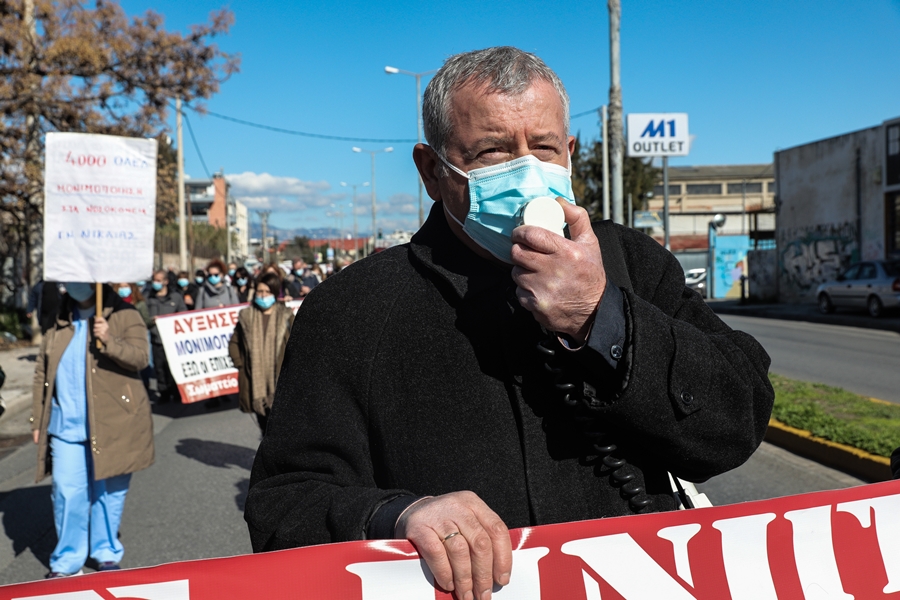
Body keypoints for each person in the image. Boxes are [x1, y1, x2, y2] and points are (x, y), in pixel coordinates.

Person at [245, 47, 774, 600]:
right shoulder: (353, 308)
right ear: (432, 171)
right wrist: (395, 515)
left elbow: (736, 421)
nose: (527, 170)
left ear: (569, 154)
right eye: (493, 152)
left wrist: (602, 316)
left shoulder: (632, 265)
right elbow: (284, 503)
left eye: (543, 148)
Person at [31, 282, 154, 577]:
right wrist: (38, 419)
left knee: (108, 494)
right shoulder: (59, 321)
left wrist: (109, 339)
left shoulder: (126, 315)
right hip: (66, 425)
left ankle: (105, 551)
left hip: (116, 423)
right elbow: (42, 371)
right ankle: (67, 560)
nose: (72, 285)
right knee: (66, 491)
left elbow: (140, 357)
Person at [228, 272, 295, 434]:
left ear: (275, 293)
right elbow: (234, 343)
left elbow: (297, 345)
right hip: (255, 382)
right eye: (260, 291)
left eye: (267, 292)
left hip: (280, 383)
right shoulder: (247, 316)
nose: (263, 296)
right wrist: (240, 364)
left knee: (281, 430)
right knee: (265, 430)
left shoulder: (286, 316)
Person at [146, 270, 187, 404]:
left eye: (159, 280)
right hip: (157, 338)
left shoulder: (175, 297)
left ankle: (176, 391)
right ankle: (163, 392)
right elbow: (143, 316)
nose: (156, 283)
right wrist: (151, 322)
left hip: (172, 339)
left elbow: (183, 315)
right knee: (159, 367)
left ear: (165, 281)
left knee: (172, 367)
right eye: (154, 280)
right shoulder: (149, 297)